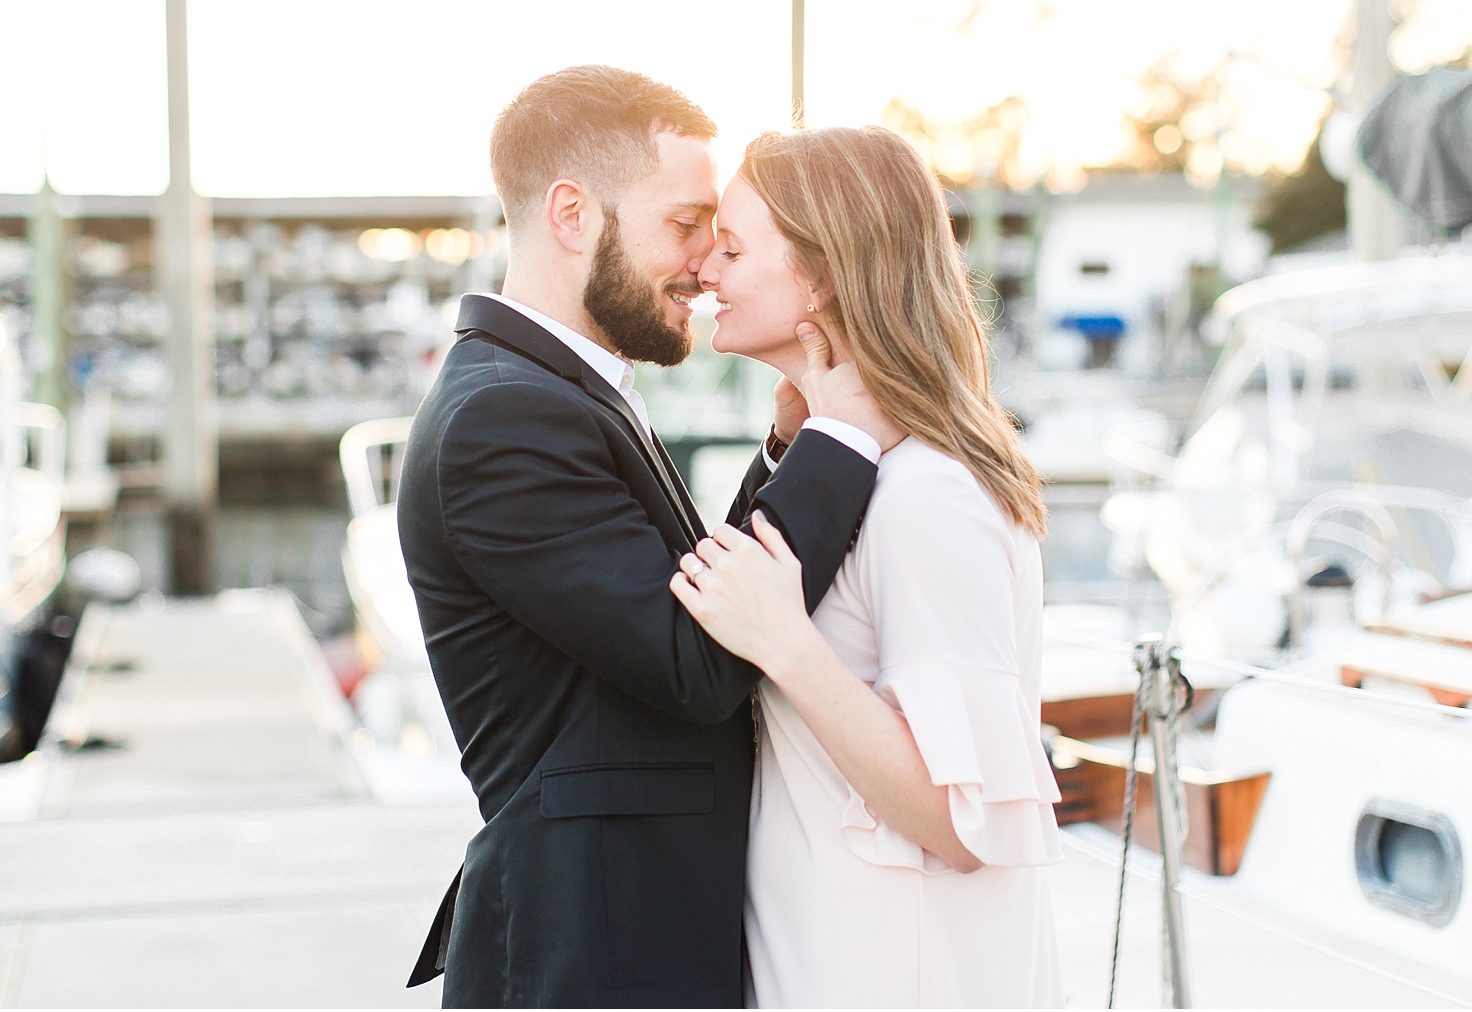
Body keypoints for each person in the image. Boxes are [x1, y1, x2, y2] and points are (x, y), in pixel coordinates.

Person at [395, 66, 894, 1007]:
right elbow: (699, 660)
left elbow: (692, 591)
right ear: (573, 214)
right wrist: (846, 432)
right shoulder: (504, 419)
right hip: (592, 958)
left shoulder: (554, 392)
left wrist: (787, 448)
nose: (708, 263)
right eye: (684, 223)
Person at [671, 125, 1065, 1007]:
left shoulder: (931, 496)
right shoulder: (854, 474)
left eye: (733, 249)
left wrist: (787, 647)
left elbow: (966, 822)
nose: (706, 273)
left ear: (824, 277)